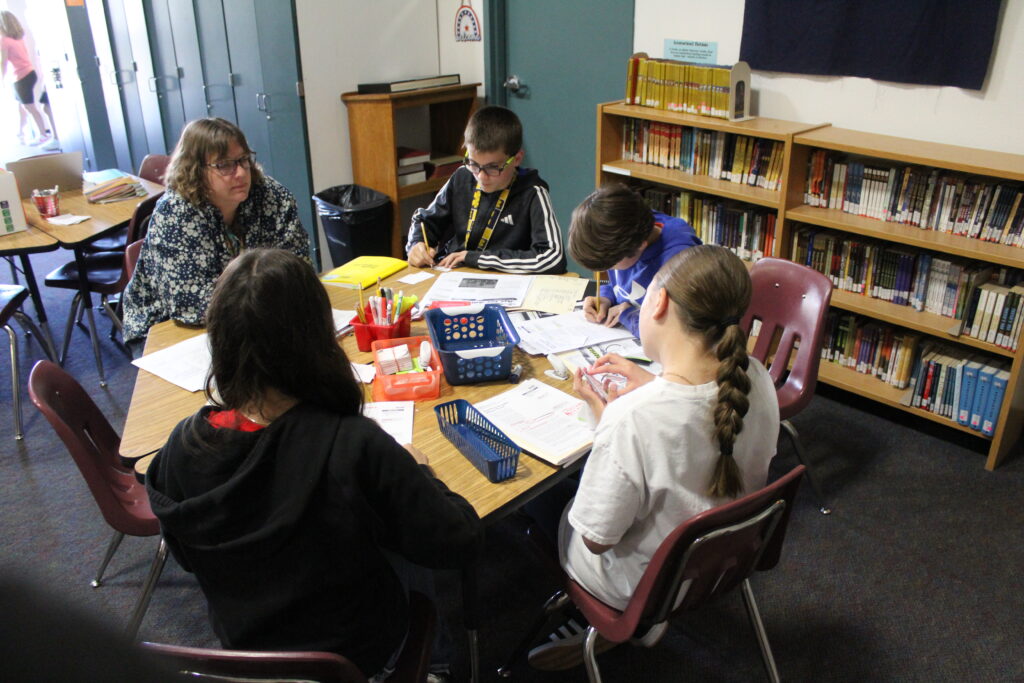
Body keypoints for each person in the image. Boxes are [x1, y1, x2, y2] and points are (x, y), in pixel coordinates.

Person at [146, 248, 482, 681]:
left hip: (247, 646)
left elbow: (187, 559)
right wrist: (419, 471)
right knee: (404, 530)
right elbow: (461, 541)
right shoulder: (352, 444)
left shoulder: (181, 446)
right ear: (317, 338)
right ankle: (429, 668)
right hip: (355, 654)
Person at [527, 245, 780, 670]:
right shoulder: (756, 375)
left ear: (658, 301)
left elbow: (596, 538)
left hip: (640, 585)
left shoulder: (633, 420)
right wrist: (650, 386)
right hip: (720, 560)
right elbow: (697, 419)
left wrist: (608, 421)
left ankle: (603, 623)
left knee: (540, 496)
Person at [122, 117, 310, 344]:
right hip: (166, 329)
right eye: (224, 165)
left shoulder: (272, 196)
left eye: (243, 160)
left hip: (258, 319)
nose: (240, 173)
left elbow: (298, 267)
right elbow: (191, 305)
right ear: (195, 170)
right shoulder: (176, 213)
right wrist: (268, 293)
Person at [405, 105, 566, 274]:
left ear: (516, 159)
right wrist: (417, 244)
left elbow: (552, 258)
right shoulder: (463, 176)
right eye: (474, 164)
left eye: (492, 167)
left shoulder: (533, 192)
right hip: (452, 276)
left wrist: (476, 258)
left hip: (507, 283)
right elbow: (424, 220)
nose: (481, 176)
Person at [570, 183, 701, 337]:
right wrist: (606, 297)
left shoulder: (679, 262)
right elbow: (620, 284)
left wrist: (627, 314)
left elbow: (674, 333)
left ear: (639, 246)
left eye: (611, 265)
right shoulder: (628, 228)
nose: (608, 270)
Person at [0, 11, 58, 150]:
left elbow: (3, 62)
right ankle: (21, 133)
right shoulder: (17, 39)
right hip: (28, 73)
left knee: (28, 106)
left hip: (21, 76)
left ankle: (43, 133)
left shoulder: (4, 41)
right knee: (22, 106)